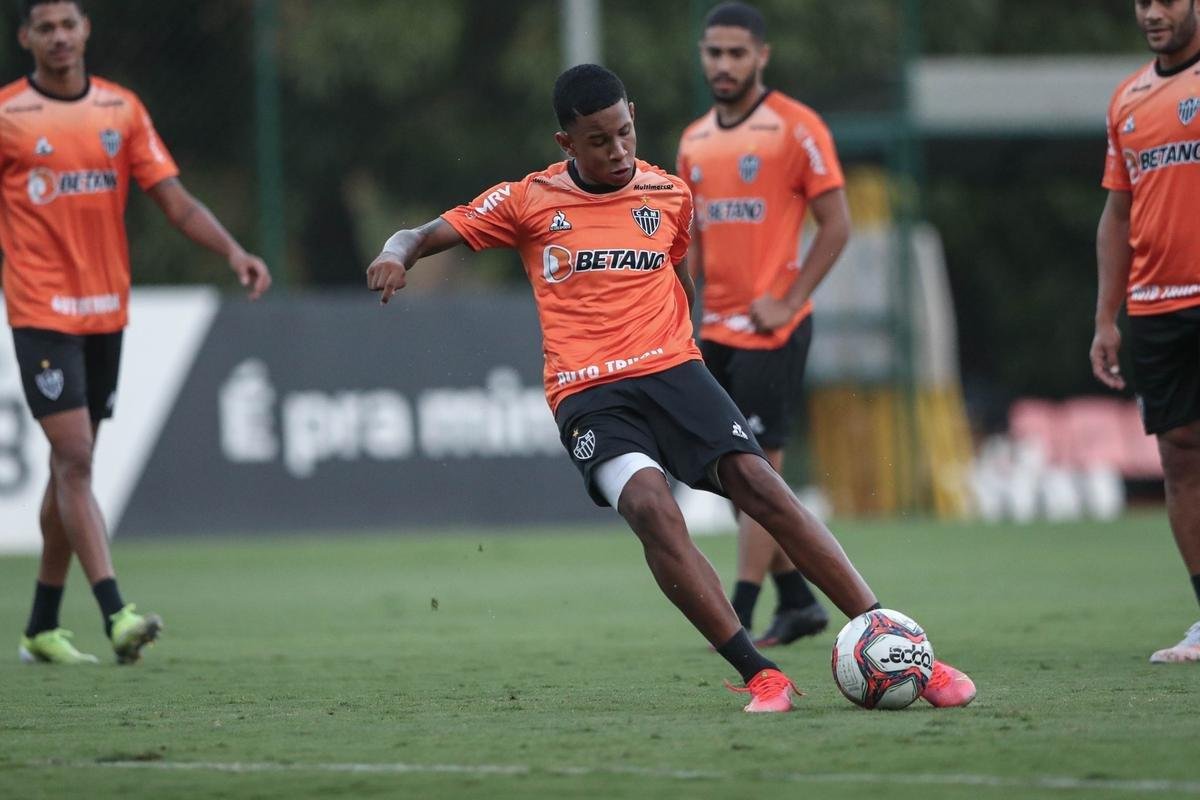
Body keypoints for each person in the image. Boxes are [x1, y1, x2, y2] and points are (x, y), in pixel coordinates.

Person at [367, 63, 974, 711]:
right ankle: (760, 673)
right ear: (565, 144)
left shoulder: (669, 195)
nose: (619, 150)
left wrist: (703, 356)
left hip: (675, 372)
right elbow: (422, 233)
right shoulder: (527, 202)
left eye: (625, 131)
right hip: (588, 393)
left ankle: (899, 642)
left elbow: (678, 283)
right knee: (654, 510)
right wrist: (394, 255)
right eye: (598, 140)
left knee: (763, 487)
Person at [1, 0, 271, 664]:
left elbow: (173, 198)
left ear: (86, 30)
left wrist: (233, 251)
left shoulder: (121, 109)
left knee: (70, 470)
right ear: (26, 38)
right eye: (46, 28)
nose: (60, 37)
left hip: (106, 313)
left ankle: (39, 624)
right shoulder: (7, 115)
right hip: (40, 311)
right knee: (77, 460)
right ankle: (116, 612)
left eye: (70, 25)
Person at [676, 2, 849, 648]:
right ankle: (799, 599)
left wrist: (789, 297)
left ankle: (740, 615)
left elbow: (838, 224)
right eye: (714, 53)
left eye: (737, 53)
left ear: (761, 57)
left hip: (771, 332)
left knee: (757, 477)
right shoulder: (694, 140)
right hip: (714, 331)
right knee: (731, 476)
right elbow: (689, 237)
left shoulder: (795, 127)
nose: (724, 64)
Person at [1092, 0, 1200, 663]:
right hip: (1156, 306)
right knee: (1181, 458)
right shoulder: (1128, 99)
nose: (1153, 13)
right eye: (1142, 2)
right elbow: (1117, 211)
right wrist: (1106, 315)